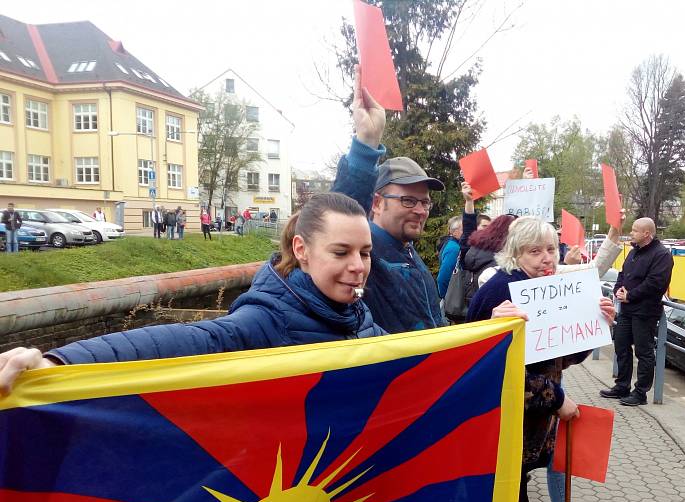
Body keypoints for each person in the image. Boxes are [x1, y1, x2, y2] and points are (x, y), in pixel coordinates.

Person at [0, 193, 385, 393]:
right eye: (341, 252)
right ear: (302, 251)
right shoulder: (265, 321)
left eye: (365, 253)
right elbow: (177, 341)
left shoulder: (358, 314)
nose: (358, 266)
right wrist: (59, 363)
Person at [467, 217, 616, 502]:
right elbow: (491, 373)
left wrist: (595, 324)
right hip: (495, 439)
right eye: (535, 251)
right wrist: (557, 399)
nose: (547, 258)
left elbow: (560, 358)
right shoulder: (501, 291)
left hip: (524, 442)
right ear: (514, 253)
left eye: (551, 249)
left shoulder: (547, 288)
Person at [330, 66, 445, 333]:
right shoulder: (365, 257)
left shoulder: (408, 253)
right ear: (376, 203)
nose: (420, 210)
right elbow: (335, 220)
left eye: (425, 202)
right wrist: (366, 145)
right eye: (408, 201)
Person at [601, 217, 673, 406]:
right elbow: (623, 274)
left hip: (645, 312)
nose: (631, 233)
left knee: (644, 352)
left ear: (646, 233)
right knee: (621, 346)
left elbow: (656, 283)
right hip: (626, 309)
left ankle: (640, 393)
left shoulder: (662, 255)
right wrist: (618, 290)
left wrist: (631, 295)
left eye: (635, 230)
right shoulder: (634, 251)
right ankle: (622, 386)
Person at [436, 215, 462, 299]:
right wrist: (446, 298)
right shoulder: (454, 248)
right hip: (452, 300)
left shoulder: (449, 243)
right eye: (463, 229)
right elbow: (442, 278)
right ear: (454, 231)